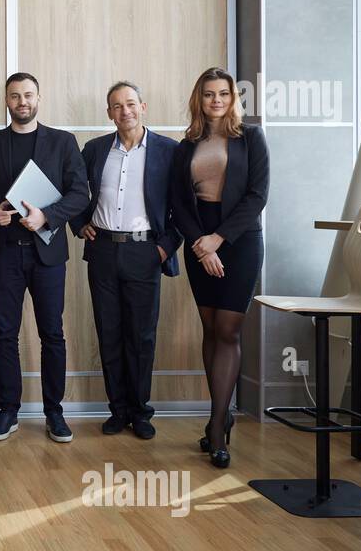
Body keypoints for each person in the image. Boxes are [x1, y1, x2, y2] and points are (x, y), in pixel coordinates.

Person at [0, 72, 89, 443]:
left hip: (48, 253)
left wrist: (47, 216)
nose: (22, 101)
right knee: (5, 334)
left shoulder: (62, 142)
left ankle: (54, 412)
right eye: (14, 96)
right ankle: (8, 410)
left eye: (28, 95)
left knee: (52, 334)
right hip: (5, 253)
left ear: (39, 98)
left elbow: (79, 194)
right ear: (6, 101)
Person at [169, 66, 269, 469]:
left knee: (227, 329)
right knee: (209, 327)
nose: (216, 101)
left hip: (240, 241)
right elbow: (178, 203)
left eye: (223, 94)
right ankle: (221, 412)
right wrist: (201, 245)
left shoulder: (251, 138)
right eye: (209, 94)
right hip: (198, 242)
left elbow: (257, 195)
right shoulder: (186, 145)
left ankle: (215, 426)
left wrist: (219, 240)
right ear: (200, 99)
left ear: (232, 98)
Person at [70, 81, 181, 440]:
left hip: (144, 252)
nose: (125, 111)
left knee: (141, 336)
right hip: (102, 249)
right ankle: (117, 410)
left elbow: (184, 208)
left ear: (143, 106)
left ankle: (141, 411)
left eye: (130, 104)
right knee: (109, 332)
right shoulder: (95, 149)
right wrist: (79, 222)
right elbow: (72, 192)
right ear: (109, 113)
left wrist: (164, 248)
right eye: (117, 106)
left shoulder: (169, 151)